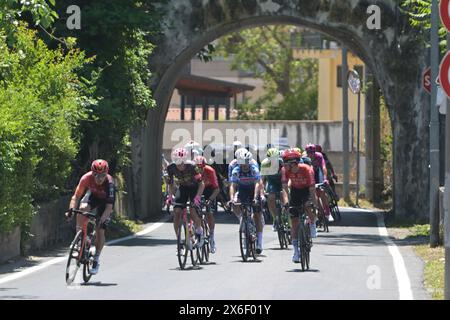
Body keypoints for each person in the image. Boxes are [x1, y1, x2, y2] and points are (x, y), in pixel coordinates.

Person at [67, 159, 115, 275]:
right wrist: (71, 210)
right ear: (92, 173)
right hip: (93, 196)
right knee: (82, 209)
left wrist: (101, 219)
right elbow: (76, 197)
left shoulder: (110, 183)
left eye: (102, 175)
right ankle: (80, 238)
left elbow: (109, 208)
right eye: (96, 175)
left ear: (106, 173)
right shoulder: (86, 178)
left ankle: (96, 258)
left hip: (105, 203)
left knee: (100, 230)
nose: (99, 178)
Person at [281, 149, 318, 263]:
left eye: (285, 162)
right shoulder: (285, 170)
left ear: (293, 163)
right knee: (295, 222)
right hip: (296, 191)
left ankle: (312, 224)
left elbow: (312, 189)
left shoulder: (307, 169)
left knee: (307, 205)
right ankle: (296, 252)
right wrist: (287, 202)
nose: (283, 165)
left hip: (307, 190)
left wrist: (315, 204)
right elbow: (285, 188)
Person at [228, 150, 265, 254]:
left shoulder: (254, 169)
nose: (244, 165)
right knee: (235, 202)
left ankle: (259, 243)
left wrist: (255, 198)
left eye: (246, 163)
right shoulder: (236, 170)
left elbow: (258, 184)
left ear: (249, 162)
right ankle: (242, 219)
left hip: (253, 189)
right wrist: (231, 198)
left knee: (257, 214)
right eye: (242, 163)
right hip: (242, 190)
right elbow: (233, 186)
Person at [167, 148, 205, 247]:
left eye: (181, 163)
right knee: (176, 212)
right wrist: (170, 196)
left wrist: (197, 197)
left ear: (185, 161)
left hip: (194, 188)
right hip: (183, 188)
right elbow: (170, 184)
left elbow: (201, 184)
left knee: (192, 211)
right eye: (177, 163)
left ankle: (199, 231)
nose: (179, 166)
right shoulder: (171, 168)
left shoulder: (192, 166)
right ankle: (179, 240)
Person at [194, 155, 220, 253]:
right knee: (195, 210)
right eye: (197, 167)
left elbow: (217, 189)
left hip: (209, 190)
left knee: (209, 212)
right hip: (197, 189)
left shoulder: (210, 170)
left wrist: (210, 199)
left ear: (204, 166)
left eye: (201, 167)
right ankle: (198, 230)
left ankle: (212, 237)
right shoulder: (193, 171)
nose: (199, 169)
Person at [260, 148, 289, 231]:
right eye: (271, 159)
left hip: (282, 181)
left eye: (275, 159)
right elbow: (262, 179)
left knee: (285, 197)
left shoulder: (282, 163)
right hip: (272, 181)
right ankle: (275, 218)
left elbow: (287, 176)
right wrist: (262, 193)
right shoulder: (265, 164)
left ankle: (286, 215)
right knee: (270, 198)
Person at [305, 143, 333, 222]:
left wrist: (325, 178)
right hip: (310, 175)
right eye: (309, 153)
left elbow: (323, 167)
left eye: (312, 152)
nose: (310, 155)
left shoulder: (319, 156)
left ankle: (328, 213)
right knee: (313, 194)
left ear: (314, 152)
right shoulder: (305, 158)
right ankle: (317, 211)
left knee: (322, 192)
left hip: (318, 173)